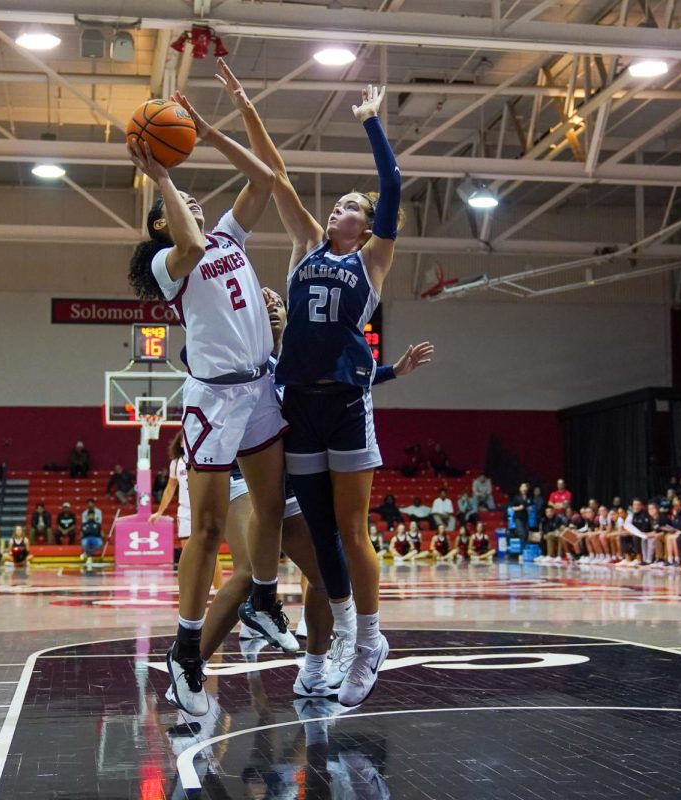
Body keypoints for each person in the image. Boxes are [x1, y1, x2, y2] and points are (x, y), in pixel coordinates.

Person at [126, 76, 291, 718]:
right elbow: (190, 241)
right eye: (176, 201)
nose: (189, 201)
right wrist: (162, 174)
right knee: (214, 529)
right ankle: (186, 647)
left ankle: (263, 599)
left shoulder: (228, 237)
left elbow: (268, 181)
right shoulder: (174, 260)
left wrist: (210, 130)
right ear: (161, 223)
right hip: (214, 402)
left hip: (260, 389)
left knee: (273, 507)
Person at [248, 70, 403, 707]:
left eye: (352, 209)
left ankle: (368, 641)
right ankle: (344, 635)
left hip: (345, 403)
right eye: (337, 204)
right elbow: (278, 181)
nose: (341, 210)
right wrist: (241, 108)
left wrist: (371, 121)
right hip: (297, 405)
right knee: (317, 529)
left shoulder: (371, 261)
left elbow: (392, 186)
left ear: (364, 227)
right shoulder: (306, 246)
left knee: (350, 527)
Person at [150, 431, 192, 554]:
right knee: (187, 551)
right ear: (180, 443)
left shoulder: (204, 459)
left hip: (203, 508)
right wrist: (159, 512)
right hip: (185, 510)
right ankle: (191, 574)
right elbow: (170, 489)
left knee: (209, 551)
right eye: (184, 439)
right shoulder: (176, 463)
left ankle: (213, 574)